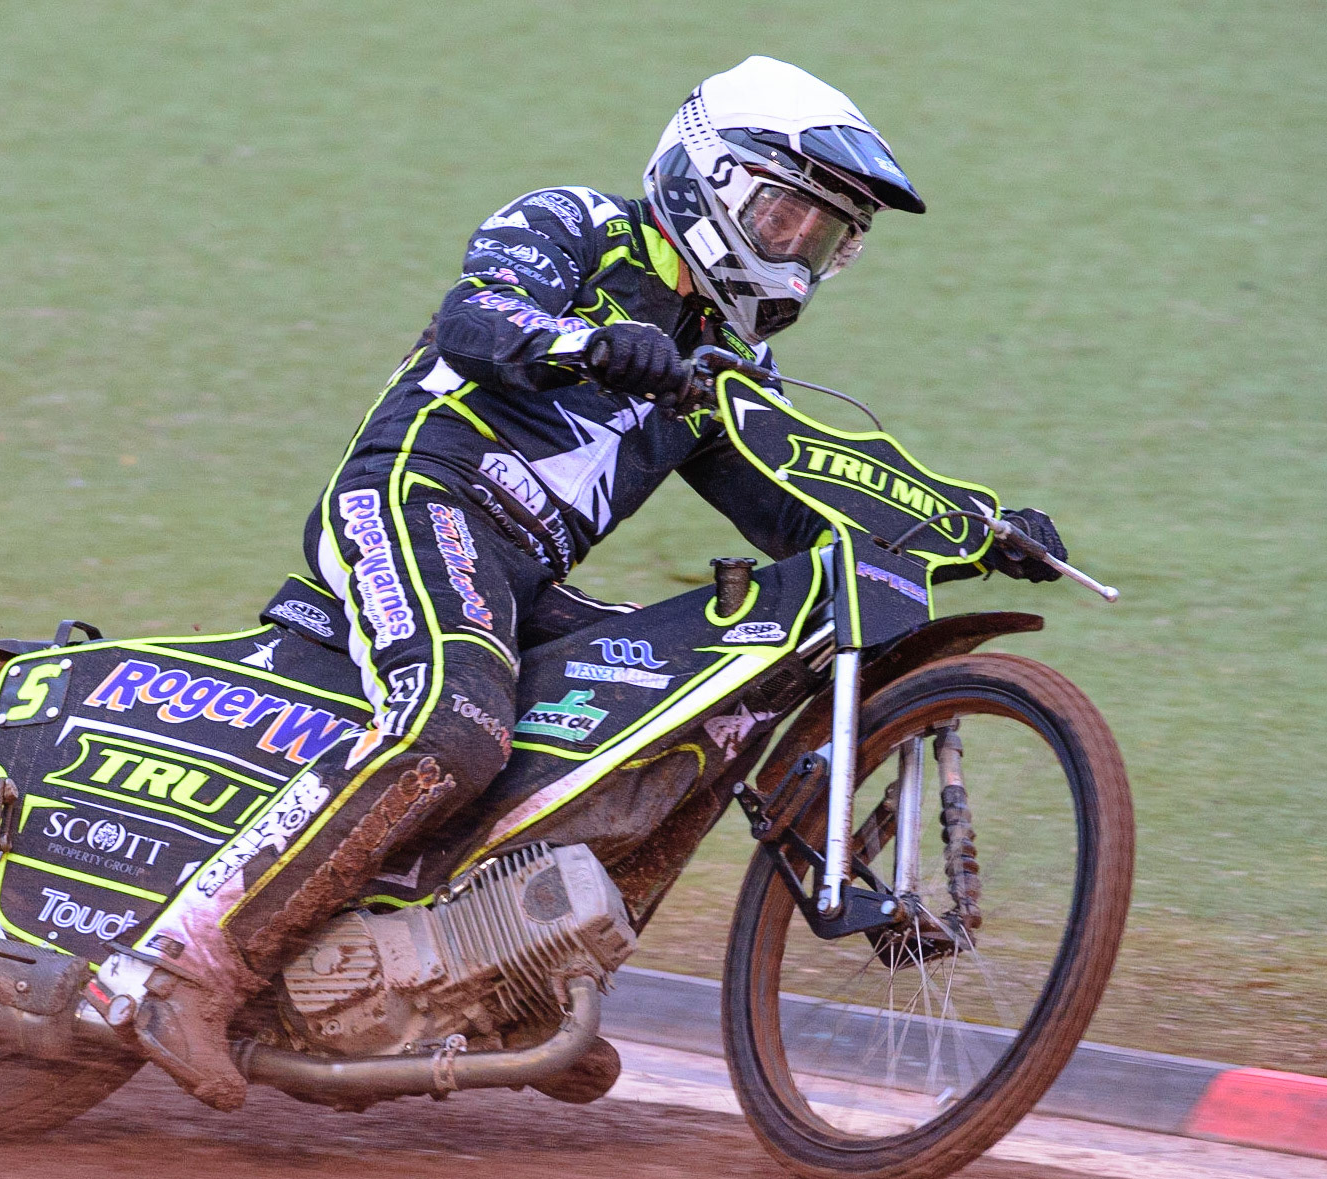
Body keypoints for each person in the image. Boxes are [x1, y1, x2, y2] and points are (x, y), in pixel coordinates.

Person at [85, 55, 1067, 1110]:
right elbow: (476, 318)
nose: (795, 256)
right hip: (419, 497)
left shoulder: (721, 370)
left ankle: (518, 980)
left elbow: (794, 508)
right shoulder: (578, 224)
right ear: (710, 181)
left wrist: (964, 529)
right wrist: (593, 344)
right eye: (785, 220)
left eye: (822, 239)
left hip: (521, 573)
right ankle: (178, 971)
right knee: (455, 726)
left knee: (698, 709)